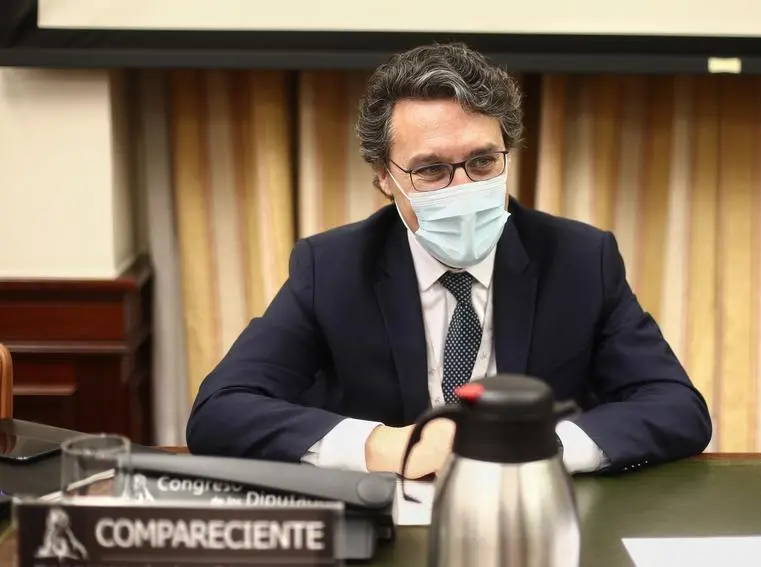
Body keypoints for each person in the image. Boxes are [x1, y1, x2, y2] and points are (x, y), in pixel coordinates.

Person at [186, 42, 712, 477]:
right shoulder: (333, 268)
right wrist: (384, 447)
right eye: (431, 170)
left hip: (537, 513)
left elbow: (675, 405)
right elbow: (222, 410)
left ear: (508, 153)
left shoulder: (580, 260)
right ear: (384, 177)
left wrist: (544, 448)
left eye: (482, 162)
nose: (462, 188)